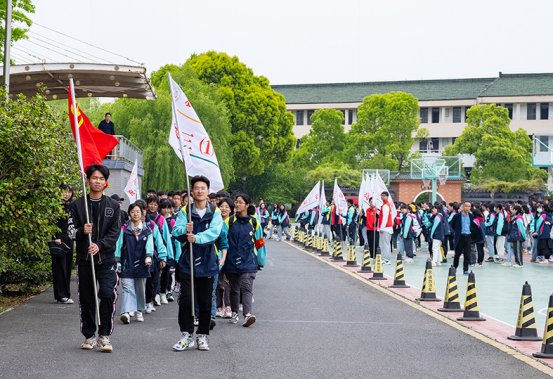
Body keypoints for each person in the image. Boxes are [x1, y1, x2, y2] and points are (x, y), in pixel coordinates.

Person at [67, 164, 121, 353]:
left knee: (107, 294)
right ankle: (89, 335)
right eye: (94, 178)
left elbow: (115, 233)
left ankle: (104, 336)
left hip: (106, 260)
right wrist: (83, 231)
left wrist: (100, 245)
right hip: (84, 260)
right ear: (88, 180)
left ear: (105, 182)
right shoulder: (77, 205)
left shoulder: (113, 206)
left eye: (101, 179)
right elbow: (70, 232)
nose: (97, 181)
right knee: (87, 298)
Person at [172, 175, 223, 352]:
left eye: (203, 188)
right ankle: (186, 335)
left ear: (208, 191)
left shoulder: (215, 211)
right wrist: (184, 230)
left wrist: (197, 237)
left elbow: (215, 232)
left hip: (208, 262)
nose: (200, 191)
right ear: (192, 191)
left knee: (205, 301)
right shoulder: (185, 211)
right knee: (186, 300)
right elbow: (175, 231)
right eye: (196, 188)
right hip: (188, 262)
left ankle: (202, 335)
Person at [221, 193, 266, 327]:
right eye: (236, 202)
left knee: (246, 286)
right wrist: (221, 259)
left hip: (249, 260)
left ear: (247, 205)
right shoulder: (228, 221)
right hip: (231, 260)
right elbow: (223, 240)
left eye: (240, 202)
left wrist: (261, 260)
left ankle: (247, 314)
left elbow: (260, 243)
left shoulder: (254, 222)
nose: (237, 204)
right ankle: (235, 313)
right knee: (234, 289)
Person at [115, 203, 154, 324]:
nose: (135, 214)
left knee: (140, 289)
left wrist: (149, 256)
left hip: (143, 264)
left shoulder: (147, 230)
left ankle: (138, 310)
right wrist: (117, 260)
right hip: (127, 263)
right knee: (127, 288)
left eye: (138, 211)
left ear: (142, 214)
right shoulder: (124, 229)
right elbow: (118, 245)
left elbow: (150, 245)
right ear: (129, 214)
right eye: (133, 212)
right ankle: (126, 312)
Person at [50, 184, 75, 304]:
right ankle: (60, 295)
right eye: (65, 192)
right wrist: (56, 237)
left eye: (69, 192)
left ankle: (66, 294)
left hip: (69, 239)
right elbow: (52, 222)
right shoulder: (56, 206)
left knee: (68, 267)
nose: (67, 194)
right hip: (59, 240)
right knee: (59, 268)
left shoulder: (72, 206)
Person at [216, 198, 233, 319]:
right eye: (221, 206)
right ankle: (218, 306)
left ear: (231, 209)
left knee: (227, 281)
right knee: (218, 281)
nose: (224, 208)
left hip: (229, 255)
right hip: (216, 255)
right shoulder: (215, 222)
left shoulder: (232, 222)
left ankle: (228, 306)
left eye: (226, 206)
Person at [450, 201, 476, 275]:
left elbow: (473, 226)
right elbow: (452, 225)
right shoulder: (457, 216)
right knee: (457, 254)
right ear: (463, 207)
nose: (468, 208)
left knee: (467, 254)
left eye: (469, 206)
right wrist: (456, 232)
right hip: (460, 237)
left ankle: (465, 269)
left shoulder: (471, 216)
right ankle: (454, 268)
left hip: (468, 237)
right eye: (466, 206)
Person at [378, 192, 394, 265]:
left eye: (384, 196)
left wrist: (382, 228)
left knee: (385, 244)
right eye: (381, 196)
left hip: (385, 228)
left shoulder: (385, 206)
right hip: (386, 228)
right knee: (385, 244)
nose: (382, 197)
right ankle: (385, 259)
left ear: (387, 197)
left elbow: (385, 217)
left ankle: (386, 259)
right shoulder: (385, 205)